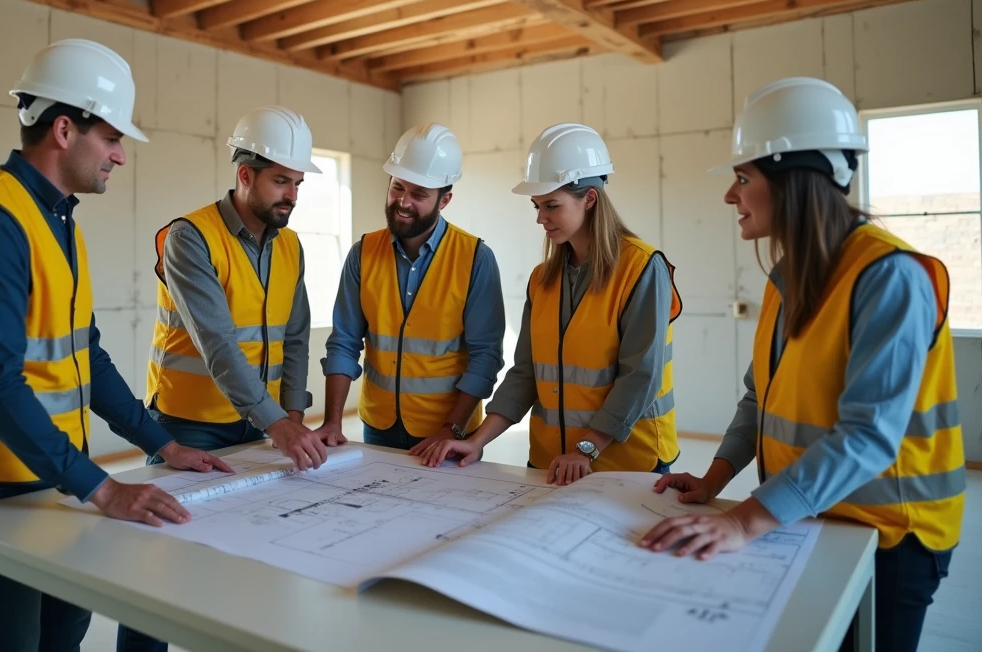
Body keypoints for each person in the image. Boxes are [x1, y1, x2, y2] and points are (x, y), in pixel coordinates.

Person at [0, 38, 231, 652]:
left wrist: (163, 443)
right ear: (64, 129)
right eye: (111, 139)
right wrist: (103, 489)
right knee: (13, 639)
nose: (120, 157)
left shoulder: (55, 219)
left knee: (68, 623)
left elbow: (86, 357)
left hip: (30, 463)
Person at [639, 77, 964, 652]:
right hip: (813, 518)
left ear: (793, 181)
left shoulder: (889, 276)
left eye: (743, 179)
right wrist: (715, 482)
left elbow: (868, 435)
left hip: (892, 537)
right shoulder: (788, 277)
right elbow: (758, 396)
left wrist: (744, 521)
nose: (729, 195)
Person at [116, 106, 327, 652]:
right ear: (244, 175)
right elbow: (218, 346)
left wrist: (295, 414)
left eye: (298, 183)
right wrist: (279, 424)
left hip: (258, 428)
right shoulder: (190, 238)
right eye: (281, 180)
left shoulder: (291, 245)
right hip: (188, 430)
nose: (292, 195)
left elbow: (297, 336)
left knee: (252, 559)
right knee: (160, 567)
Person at [421, 123, 681, 485]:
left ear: (589, 199)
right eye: (537, 206)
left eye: (551, 206)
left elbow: (641, 376)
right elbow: (525, 374)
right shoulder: (543, 279)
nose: (540, 218)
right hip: (551, 463)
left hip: (627, 464)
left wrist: (588, 447)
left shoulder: (641, 268)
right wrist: (476, 441)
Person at [315, 123, 505, 455]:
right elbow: (343, 342)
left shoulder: (475, 259)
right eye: (397, 188)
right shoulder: (363, 253)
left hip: (448, 432)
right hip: (378, 426)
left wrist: (452, 429)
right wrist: (332, 421)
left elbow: (485, 358)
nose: (403, 202)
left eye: (418, 194)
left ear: (444, 200)